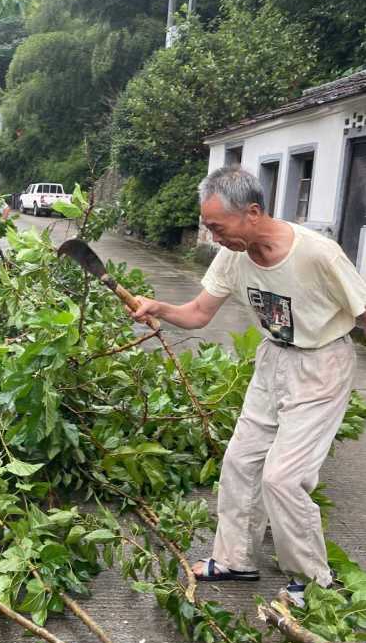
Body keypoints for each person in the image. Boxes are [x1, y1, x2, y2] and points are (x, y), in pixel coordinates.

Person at [131, 167, 366, 607]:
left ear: (252, 212)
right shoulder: (232, 256)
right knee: (241, 463)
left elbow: (362, 311)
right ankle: (236, 558)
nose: (213, 236)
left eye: (218, 227)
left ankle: (313, 580)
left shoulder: (318, 255)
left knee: (283, 478)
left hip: (322, 365)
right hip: (273, 358)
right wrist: (158, 307)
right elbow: (199, 314)